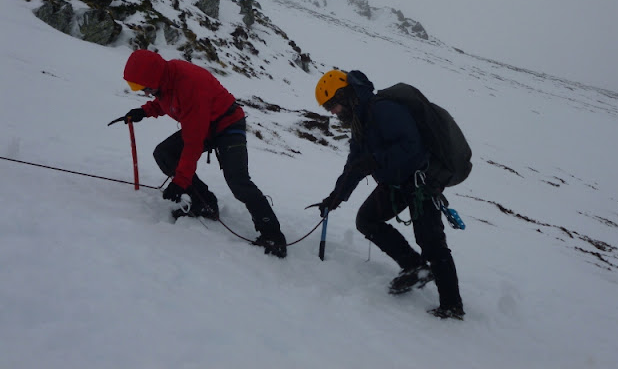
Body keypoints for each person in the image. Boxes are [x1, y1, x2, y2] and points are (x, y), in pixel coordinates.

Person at [315, 69, 464, 319]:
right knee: (367, 220)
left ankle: (452, 306)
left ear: (346, 94)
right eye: (329, 107)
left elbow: (412, 147)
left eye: (333, 104)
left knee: (431, 243)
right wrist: (335, 198)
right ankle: (414, 268)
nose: (333, 112)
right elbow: (354, 165)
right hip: (394, 185)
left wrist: (375, 160)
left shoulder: (383, 110)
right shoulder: (360, 123)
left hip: (421, 183)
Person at [114, 49, 287, 258]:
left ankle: (273, 236)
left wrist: (180, 181)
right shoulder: (166, 80)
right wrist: (145, 111)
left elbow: (193, 142)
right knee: (164, 153)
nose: (144, 92)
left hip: (228, 124)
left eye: (144, 88)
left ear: (154, 78)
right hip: (205, 124)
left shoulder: (188, 84)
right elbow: (166, 100)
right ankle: (204, 204)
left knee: (238, 180)